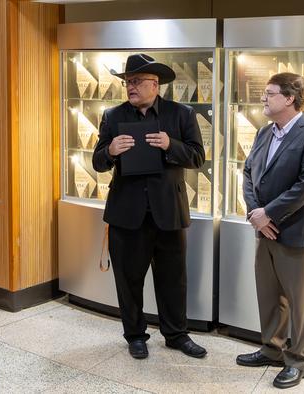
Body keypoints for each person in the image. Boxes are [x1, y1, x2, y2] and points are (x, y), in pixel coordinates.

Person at [92, 53, 206, 360]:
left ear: (154, 85)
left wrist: (171, 145)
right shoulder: (112, 116)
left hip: (168, 211)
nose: (130, 87)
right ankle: (135, 335)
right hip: (126, 214)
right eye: (128, 82)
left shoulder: (181, 114)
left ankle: (176, 334)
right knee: (129, 279)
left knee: (173, 278)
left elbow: (198, 157)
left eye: (136, 81)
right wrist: (111, 151)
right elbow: (97, 161)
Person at [235, 72, 304, 389]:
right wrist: (255, 214)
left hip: (297, 231)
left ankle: (298, 362)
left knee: (299, 302)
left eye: (269, 93)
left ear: (289, 98)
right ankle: (272, 349)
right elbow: (248, 171)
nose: (263, 98)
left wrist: (269, 213)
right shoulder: (264, 132)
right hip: (265, 229)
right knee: (269, 296)